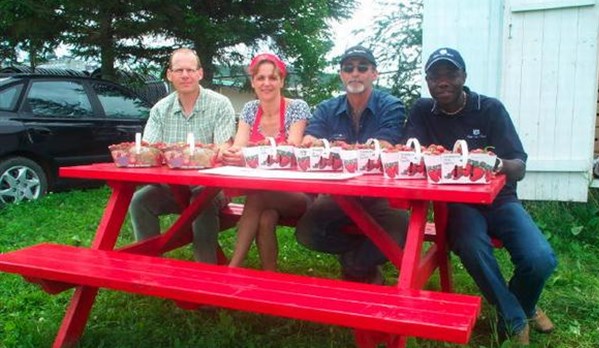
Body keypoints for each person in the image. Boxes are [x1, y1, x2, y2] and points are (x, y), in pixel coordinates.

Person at [404, 47, 557, 344]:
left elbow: (519, 166)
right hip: (457, 204)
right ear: (427, 81)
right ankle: (515, 317)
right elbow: (411, 155)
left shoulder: (489, 109)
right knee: (470, 245)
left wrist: (496, 163)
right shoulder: (423, 110)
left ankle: (520, 304)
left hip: (500, 200)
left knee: (541, 258)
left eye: (451, 74)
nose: (443, 81)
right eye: (435, 76)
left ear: (464, 77)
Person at [294, 45, 409, 284]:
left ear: (374, 73)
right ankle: (361, 258)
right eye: (348, 68)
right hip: (338, 195)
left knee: (399, 235)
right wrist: (311, 143)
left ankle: (355, 265)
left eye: (362, 67)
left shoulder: (391, 105)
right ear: (341, 75)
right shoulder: (327, 108)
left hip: (383, 195)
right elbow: (310, 138)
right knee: (307, 233)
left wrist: (334, 148)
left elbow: (383, 146)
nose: (355, 73)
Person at [129, 48, 236, 263]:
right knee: (139, 201)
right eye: (179, 70)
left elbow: (223, 147)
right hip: (170, 187)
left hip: (211, 187)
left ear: (200, 73)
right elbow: (150, 149)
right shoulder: (160, 109)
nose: (185, 75)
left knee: (201, 202)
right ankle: (150, 265)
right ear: (169, 75)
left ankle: (205, 270)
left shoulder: (220, 104)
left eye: (190, 69)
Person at [221, 53, 312, 271]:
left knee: (257, 196)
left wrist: (247, 153)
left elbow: (288, 152)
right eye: (260, 78)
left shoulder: (296, 107)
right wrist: (228, 150)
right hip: (266, 195)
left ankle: (233, 268)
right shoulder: (251, 110)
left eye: (272, 78)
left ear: (281, 81)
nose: (266, 83)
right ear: (253, 82)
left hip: (299, 193)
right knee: (266, 217)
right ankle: (269, 276)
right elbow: (239, 147)